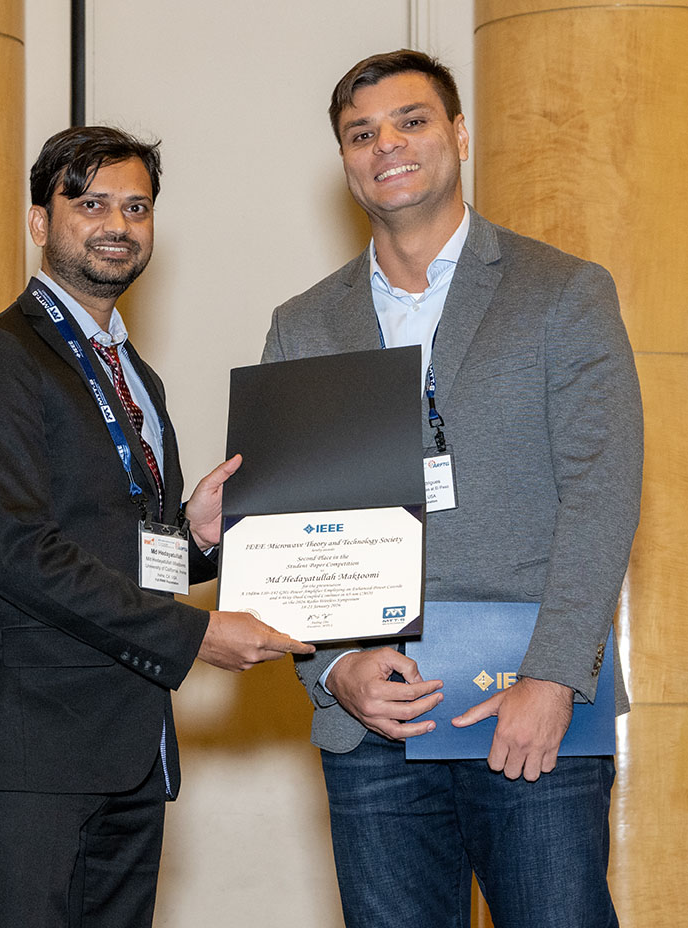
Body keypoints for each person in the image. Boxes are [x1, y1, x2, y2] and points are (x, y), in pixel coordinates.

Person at [263, 50, 641, 927]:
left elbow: (602, 495)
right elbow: (283, 525)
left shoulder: (565, 293)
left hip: (530, 711)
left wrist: (553, 680)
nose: (385, 145)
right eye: (361, 134)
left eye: (411, 121)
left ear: (460, 135)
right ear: (346, 162)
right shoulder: (304, 324)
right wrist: (333, 669)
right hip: (372, 725)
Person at [0, 125, 312, 928]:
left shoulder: (136, 376)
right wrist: (195, 636)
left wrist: (195, 537)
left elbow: (121, 552)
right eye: (90, 202)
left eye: (136, 207)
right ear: (39, 221)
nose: (117, 225)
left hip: (128, 752)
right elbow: (19, 551)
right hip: (24, 753)